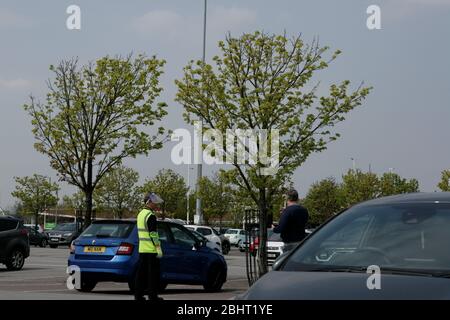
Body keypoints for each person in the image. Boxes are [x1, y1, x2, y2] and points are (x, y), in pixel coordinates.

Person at [134, 192, 164, 301]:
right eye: (154, 202)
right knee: (153, 275)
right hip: (151, 250)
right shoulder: (150, 216)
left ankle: (138, 295)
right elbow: (153, 234)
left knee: (141, 274)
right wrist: (158, 248)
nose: (156, 205)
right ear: (149, 202)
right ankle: (153, 296)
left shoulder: (141, 214)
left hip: (142, 249)